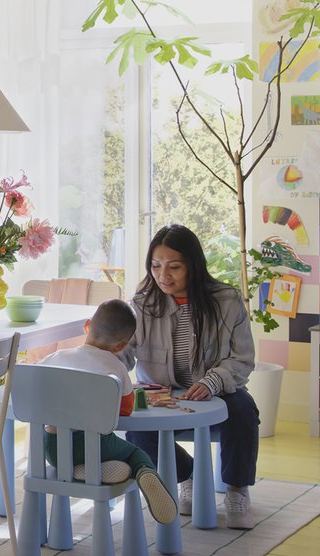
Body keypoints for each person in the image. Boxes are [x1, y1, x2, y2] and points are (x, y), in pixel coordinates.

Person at [121, 224, 262, 530]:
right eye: (156, 266)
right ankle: (189, 475)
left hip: (217, 390)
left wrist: (212, 382)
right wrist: (100, 357)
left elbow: (243, 359)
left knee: (243, 411)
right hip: (161, 394)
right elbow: (124, 351)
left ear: (193, 266)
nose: (163, 275)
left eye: (174, 266)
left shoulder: (226, 300)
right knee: (137, 430)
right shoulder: (143, 304)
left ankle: (237, 489)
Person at [38, 299, 177, 525]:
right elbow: (125, 409)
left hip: (52, 448)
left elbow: (33, 390)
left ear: (87, 326)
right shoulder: (115, 367)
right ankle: (142, 471)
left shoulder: (56, 358)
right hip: (95, 445)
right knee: (135, 454)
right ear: (121, 346)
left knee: (71, 448)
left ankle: (80, 469)